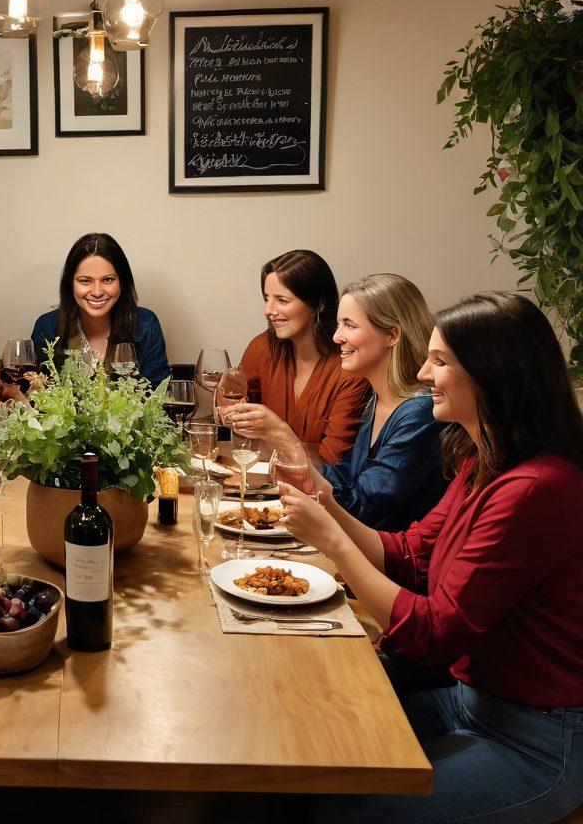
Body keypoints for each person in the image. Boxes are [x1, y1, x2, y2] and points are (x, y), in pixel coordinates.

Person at [278, 292, 583, 824]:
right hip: (468, 702)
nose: (422, 373)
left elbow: (437, 629)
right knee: (304, 751)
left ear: (493, 375)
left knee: (341, 812)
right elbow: (411, 554)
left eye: (440, 361)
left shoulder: (537, 487)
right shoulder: (484, 458)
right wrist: (326, 500)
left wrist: (332, 542)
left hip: (536, 741)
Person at [225, 273, 444, 529]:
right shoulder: (377, 400)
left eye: (349, 325)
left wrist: (285, 437)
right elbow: (345, 480)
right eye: (339, 324)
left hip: (386, 565)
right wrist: (289, 461)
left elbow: (362, 509)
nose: (336, 337)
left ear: (392, 335)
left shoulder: (420, 412)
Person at [229, 250, 367, 464]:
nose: (268, 310)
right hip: (262, 487)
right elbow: (236, 407)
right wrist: (227, 411)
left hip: (318, 494)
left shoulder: (350, 368)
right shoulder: (262, 347)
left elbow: (334, 462)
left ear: (317, 305)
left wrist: (278, 431)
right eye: (267, 298)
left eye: (282, 300)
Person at [31, 232, 170, 388]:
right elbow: (37, 398)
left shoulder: (146, 325)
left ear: (122, 282)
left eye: (108, 280)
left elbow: (159, 396)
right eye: (85, 281)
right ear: (70, 284)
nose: (97, 292)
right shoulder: (47, 327)